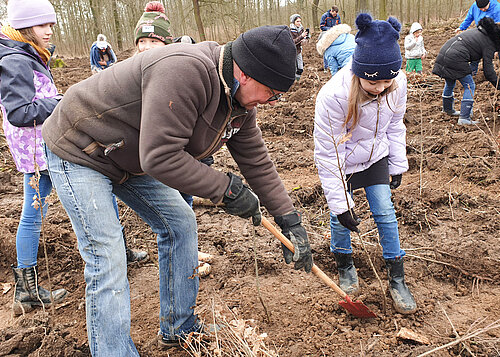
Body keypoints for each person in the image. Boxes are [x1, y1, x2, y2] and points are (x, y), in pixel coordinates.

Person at [42, 24, 313, 355]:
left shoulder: (239, 103)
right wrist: (224, 189)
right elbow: (161, 157)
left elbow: (256, 160)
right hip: (81, 148)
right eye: (272, 92)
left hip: (130, 155)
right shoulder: (185, 70)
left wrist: (289, 220)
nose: (272, 101)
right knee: (108, 256)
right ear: (245, 73)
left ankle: (178, 327)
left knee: (180, 223)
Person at [313, 13, 417, 315]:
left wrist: (397, 164)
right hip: (343, 160)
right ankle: (345, 267)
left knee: (385, 212)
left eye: (388, 80)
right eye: (374, 81)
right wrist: (341, 203)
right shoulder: (333, 96)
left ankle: (397, 278)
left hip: (376, 156)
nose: (382, 87)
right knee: (339, 217)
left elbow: (396, 125)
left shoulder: (397, 83)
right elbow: (328, 152)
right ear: (359, 72)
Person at [132, 0, 212, 274]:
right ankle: (181, 257)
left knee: (184, 202)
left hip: (179, 151)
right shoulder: (131, 74)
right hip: (147, 156)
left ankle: (189, 250)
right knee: (171, 215)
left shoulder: (177, 72)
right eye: (141, 41)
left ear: (166, 43)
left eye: (152, 41)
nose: (144, 47)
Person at [0, 0, 68, 316]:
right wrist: (60, 102)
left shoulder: (27, 54)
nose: (49, 30)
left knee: (34, 211)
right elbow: (19, 112)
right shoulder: (16, 59)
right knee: (34, 212)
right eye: (44, 25)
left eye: (51, 24)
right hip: (39, 151)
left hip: (42, 146)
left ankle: (25, 289)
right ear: (26, 26)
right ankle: (26, 289)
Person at [433, 18, 500, 125]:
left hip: (445, 52)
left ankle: (448, 110)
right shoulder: (489, 42)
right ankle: (464, 118)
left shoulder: (481, 31)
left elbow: (474, 50)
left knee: (450, 81)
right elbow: (488, 69)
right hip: (456, 57)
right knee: (469, 85)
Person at [456, 0, 500, 83]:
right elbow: (469, 17)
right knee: (475, 55)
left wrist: (496, 47)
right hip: (481, 34)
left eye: (484, 8)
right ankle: (472, 75)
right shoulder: (475, 6)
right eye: (480, 9)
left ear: (489, 2)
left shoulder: (498, 9)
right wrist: (461, 27)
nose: (482, 10)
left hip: (497, 36)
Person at [289, 14, 310, 81]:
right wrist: (301, 36)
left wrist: (306, 37)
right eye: (297, 21)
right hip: (291, 51)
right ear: (293, 22)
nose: (299, 23)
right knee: (294, 69)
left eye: (300, 21)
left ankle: (297, 81)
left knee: (300, 68)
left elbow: (303, 40)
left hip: (298, 51)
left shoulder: (301, 29)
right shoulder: (290, 30)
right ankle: (293, 82)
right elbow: (293, 42)